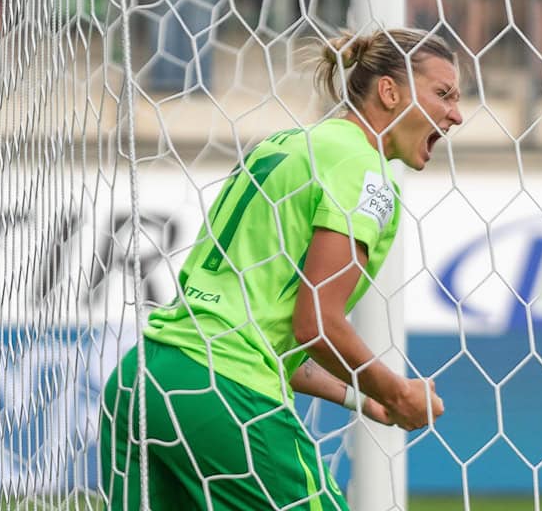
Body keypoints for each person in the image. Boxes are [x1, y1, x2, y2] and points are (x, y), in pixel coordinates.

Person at [100, 28, 462, 510]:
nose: (456, 115)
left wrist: (362, 397)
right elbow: (317, 324)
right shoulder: (364, 170)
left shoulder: (287, 144)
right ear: (389, 92)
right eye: (444, 94)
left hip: (143, 381)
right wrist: (396, 393)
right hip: (226, 397)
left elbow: (257, 330)